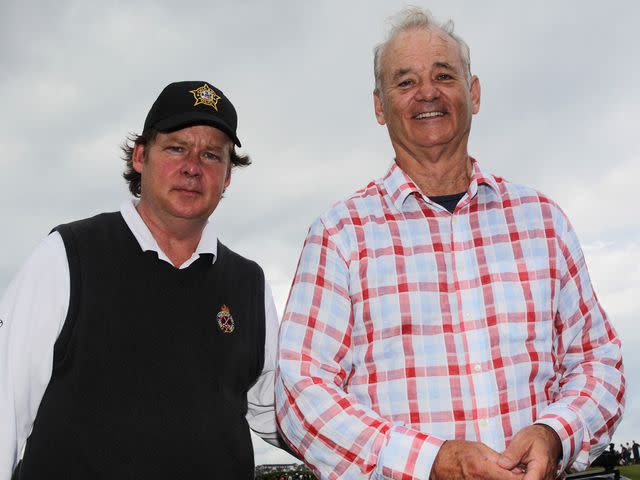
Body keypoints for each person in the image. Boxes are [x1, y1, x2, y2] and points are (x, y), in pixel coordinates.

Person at [275, 8, 625, 480]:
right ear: (379, 107)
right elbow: (301, 394)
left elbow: (597, 361)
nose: (427, 93)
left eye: (444, 75)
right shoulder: (340, 236)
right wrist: (429, 462)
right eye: (405, 82)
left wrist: (555, 434)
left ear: (473, 93)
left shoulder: (543, 222)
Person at [0, 81, 279, 479]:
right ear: (140, 157)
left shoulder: (249, 283)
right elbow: (4, 405)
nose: (192, 167)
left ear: (228, 176)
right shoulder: (68, 254)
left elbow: (276, 410)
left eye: (212, 155)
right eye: (176, 147)